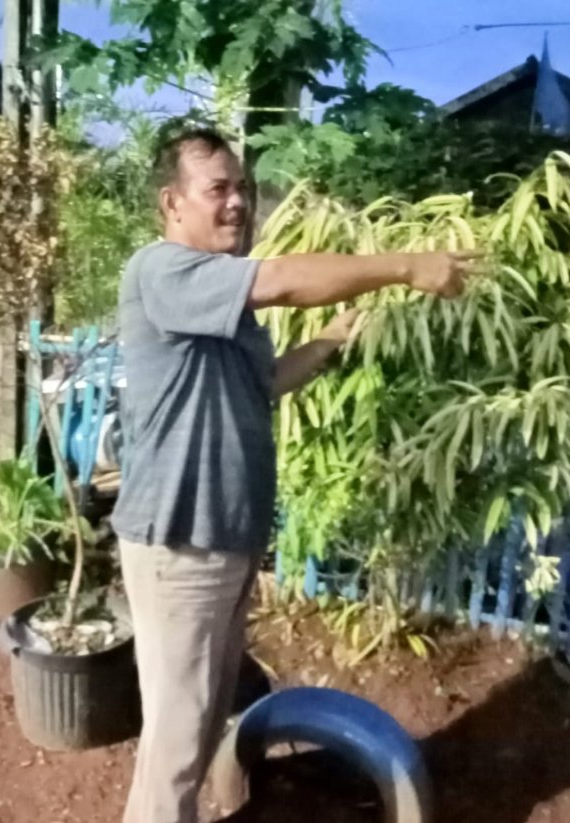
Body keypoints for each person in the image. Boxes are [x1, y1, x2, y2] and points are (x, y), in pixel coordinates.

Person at [111, 128, 479, 823]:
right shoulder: (161, 270)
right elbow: (281, 279)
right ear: (172, 203)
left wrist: (331, 341)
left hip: (226, 537)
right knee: (176, 742)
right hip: (179, 539)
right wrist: (406, 266)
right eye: (218, 188)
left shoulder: (222, 306)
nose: (238, 202)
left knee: (204, 716)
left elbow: (263, 384)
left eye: (242, 188)